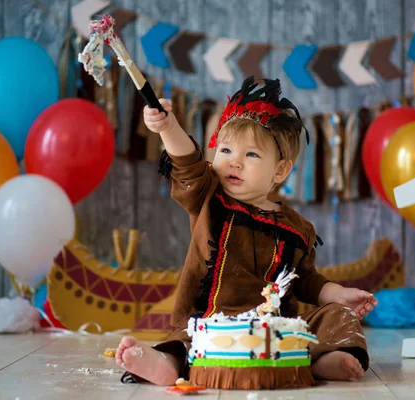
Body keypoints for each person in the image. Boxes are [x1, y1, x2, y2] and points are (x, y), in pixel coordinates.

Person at [115, 77, 378, 386]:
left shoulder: (297, 228)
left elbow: (306, 282)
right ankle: (166, 363)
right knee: (185, 340)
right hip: (210, 322)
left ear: (280, 170)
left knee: (338, 317)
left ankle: (326, 359)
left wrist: (341, 295)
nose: (234, 162)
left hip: (276, 327)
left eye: (251, 155)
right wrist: (167, 128)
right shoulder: (210, 199)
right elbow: (187, 163)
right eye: (225, 150)